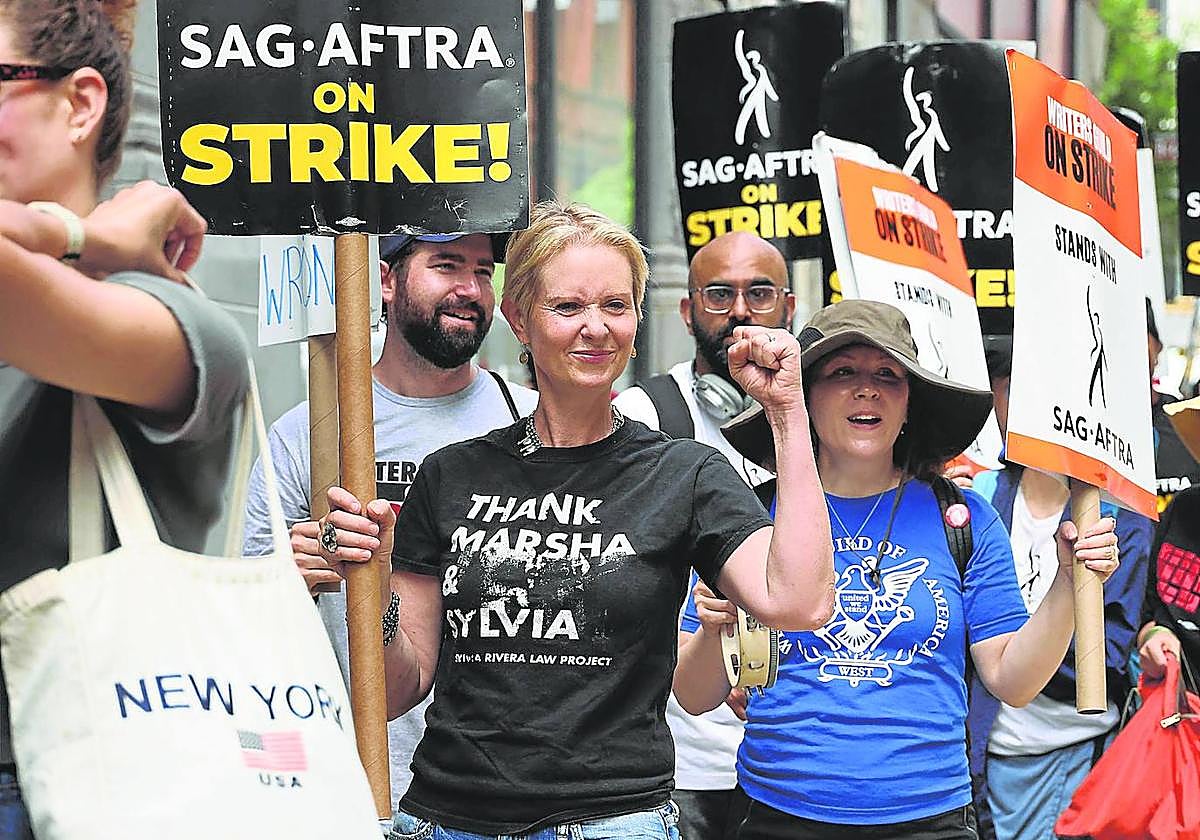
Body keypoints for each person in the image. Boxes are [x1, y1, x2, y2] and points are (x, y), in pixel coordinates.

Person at [315, 200, 835, 840]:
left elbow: (800, 600)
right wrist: (379, 583)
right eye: (568, 307)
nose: (596, 328)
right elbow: (398, 687)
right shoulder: (450, 476)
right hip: (447, 819)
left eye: (616, 306)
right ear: (519, 319)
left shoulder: (687, 474)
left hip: (613, 821)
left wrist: (787, 414)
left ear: (638, 320)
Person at [673, 300, 1121, 839]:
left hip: (930, 817)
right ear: (804, 396)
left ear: (910, 403)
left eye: (888, 375)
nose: (867, 389)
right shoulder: (750, 516)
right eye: (842, 373)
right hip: (777, 815)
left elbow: (1012, 680)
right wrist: (720, 625)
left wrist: (1069, 582)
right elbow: (696, 696)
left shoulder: (964, 519)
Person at [0, 1, 249, 835]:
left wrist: (69, 236)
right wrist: (83, 233)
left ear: (79, 104)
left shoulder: (171, 320)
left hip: (64, 782)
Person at [243, 231, 538, 808]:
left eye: (482, 271)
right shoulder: (308, 433)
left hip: (497, 791)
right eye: (447, 265)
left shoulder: (529, 424)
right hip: (341, 780)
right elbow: (247, 608)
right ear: (384, 280)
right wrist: (291, 574)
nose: (470, 289)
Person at [615, 231, 791, 840]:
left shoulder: (814, 419)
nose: (741, 310)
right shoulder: (645, 416)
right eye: (719, 294)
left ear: (788, 307)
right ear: (687, 311)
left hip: (795, 756)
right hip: (682, 757)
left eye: (759, 293)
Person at [968, 335, 1152, 840]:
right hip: (985, 752)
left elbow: (1108, 652)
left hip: (1073, 753)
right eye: (1014, 391)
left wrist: (1009, 653)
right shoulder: (977, 499)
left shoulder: (1122, 517)